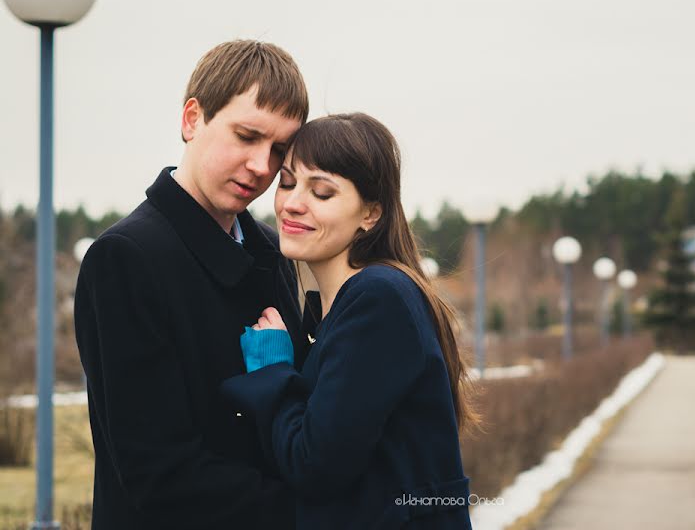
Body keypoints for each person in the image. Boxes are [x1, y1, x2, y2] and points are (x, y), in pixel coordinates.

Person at [74, 40, 309, 529]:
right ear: (192, 120)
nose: (263, 166)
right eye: (247, 136)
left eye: (280, 150)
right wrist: (313, 512)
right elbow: (159, 474)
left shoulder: (273, 251)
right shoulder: (125, 258)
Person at [221, 113, 476, 529]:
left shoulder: (378, 297)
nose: (292, 202)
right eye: (287, 182)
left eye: (321, 192)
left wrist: (272, 371)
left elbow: (315, 465)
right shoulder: (352, 301)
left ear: (370, 214)